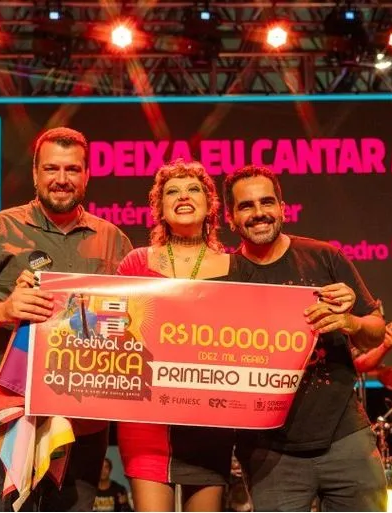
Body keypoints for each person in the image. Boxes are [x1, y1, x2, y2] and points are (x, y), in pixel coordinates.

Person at [0, 127, 133, 511]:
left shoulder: (113, 240)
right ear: (35, 174)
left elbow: (133, 321)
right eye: (51, 168)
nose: (61, 179)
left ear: (87, 174)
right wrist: (4, 310)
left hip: (84, 412)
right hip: (12, 409)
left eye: (72, 169)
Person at [223, 165, 387, 512]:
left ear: (283, 208)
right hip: (269, 451)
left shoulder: (324, 257)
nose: (259, 213)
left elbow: (376, 330)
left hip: (345, 438)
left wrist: (351, 323)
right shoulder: (225, 275)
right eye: (246, 206)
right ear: (230, 218)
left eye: (267, 202)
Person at [115, 159, 237, 512]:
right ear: (160, 208)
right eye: (172, 191)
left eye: (193, 189)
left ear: (210, 204)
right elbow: (112, 330)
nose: (183, 196)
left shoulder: (235, 267)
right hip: (146, 419)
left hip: (210, 418)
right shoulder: (136, 263)